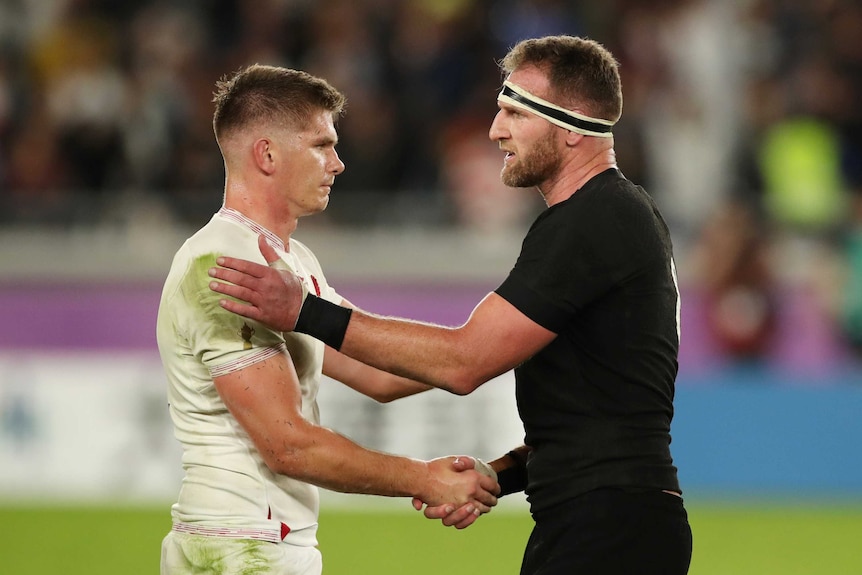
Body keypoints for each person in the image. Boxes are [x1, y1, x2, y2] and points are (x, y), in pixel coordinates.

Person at [209, 36, 693, 574]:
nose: (495, 129)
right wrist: (499, 475)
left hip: (611, 531)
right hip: (608, 523)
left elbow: (464, 363)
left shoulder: (592, 221)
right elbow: (598, 419)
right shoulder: (613, 216)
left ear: (572, 125)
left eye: (514, 111)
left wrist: (305, 312)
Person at [156, 64, 499, 575]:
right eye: (322, 145)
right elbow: (288, 444)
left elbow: (377, 372)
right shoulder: (223, 266)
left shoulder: (292, 265)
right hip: (236, 548)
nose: (337, 164)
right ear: (267, 154)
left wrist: (502, 347)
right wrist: (422, 478)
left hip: (266, 544)